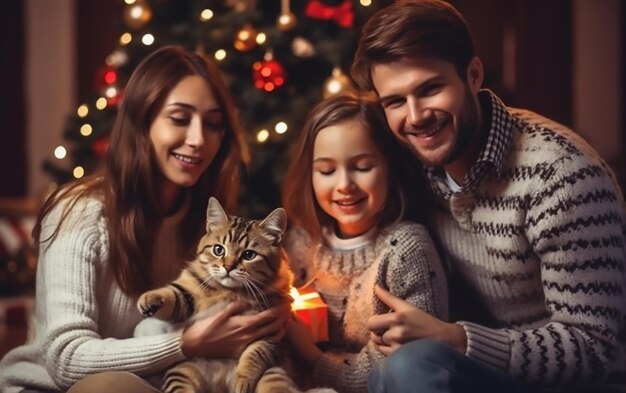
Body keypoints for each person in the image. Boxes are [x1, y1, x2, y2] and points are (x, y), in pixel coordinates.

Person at [349, 1, 626, 392]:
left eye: (430, 88)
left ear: (473, 75)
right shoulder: (413, 163)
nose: (415, 116)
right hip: (484, 373)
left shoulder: (561, 176)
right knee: (387, 373)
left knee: (412, 367)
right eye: (395, 101)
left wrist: (458, 339)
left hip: (581, 384)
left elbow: (596, 349)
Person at [0, 45, 291, 393]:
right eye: (180, 119)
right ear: (142, 122)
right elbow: (65, 360)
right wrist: (186, 343)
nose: (198, 140)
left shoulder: (209, 224)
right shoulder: (79, 213)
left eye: (213, 124)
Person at [281, 92, 449, 393]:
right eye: (327, 171)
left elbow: (406, 369)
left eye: (361, 167)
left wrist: (312, 358)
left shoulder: (406, 250)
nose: (344, 185)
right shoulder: (298, 244)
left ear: (389, 167)